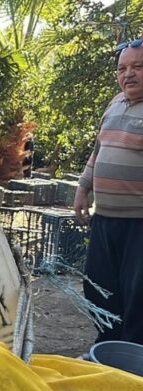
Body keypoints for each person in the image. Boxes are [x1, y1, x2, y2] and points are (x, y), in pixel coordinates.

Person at [74, 39, 143, 344]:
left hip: (138, 222)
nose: (129, 74)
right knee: (98, 286)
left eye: (138, 67)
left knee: (137, 295)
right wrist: (83, 188)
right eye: (122, 68)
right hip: (105, 218)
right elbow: (98, 150)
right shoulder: (115, 103)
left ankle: (132, 359)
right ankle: (107, 345)